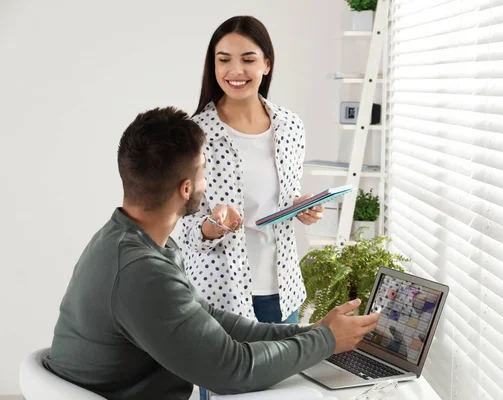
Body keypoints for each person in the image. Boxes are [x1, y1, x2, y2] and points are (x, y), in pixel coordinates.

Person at [42, 107, 380, 399]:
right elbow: (232, 370)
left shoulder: (124, 238)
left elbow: (213, 321)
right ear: (186, 188)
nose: (206, 182)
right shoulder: (140, 271)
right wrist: (324, 341)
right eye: (203, 170)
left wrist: (312, 333)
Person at [176, 15, 323, 324]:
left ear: (266, 64)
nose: (236, 71)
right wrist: (211, 228)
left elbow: (285, 196)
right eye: (224, 60)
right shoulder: (193, 135)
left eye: (248, 59)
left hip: (282, 292)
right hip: (216, 294)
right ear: (213, 66)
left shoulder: (290, 127)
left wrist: (300, 208)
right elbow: (185, 229)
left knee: (285, 374)